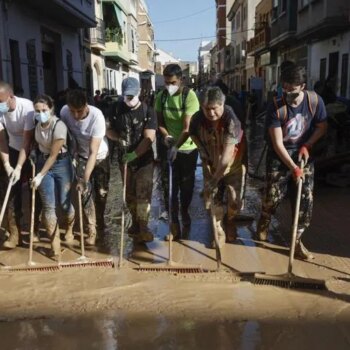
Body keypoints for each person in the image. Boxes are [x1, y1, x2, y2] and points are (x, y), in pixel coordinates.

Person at [256, 64, 327, 260]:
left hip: (303, 155)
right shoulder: (276, 105)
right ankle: (264, 219)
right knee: (272, 197)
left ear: (302, 86)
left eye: (292, 90)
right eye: (284, 87)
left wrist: (308, 145)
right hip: (280, 156)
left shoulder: (314, 101)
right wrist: (293, 168)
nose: (287, 92)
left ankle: (296, 241)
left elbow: (322, 126)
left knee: (305, 201)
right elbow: (278, 143)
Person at [188, 87, 244, 248]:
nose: (211, 113)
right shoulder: (197, 119)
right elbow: (193, 135)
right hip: (211, 162)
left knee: (234, 200)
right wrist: (203, 154)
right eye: (206, 109)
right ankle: (219, 232)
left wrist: (215, 178)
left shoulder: (231, 120)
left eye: (214, 108)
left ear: (222, 104)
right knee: (214, 202)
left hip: (232, 163)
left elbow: (227, 154)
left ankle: (231, 222)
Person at [107, 77, 157, 243]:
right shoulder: (115, 109)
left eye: (131, 97)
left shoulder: (148, 112)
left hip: (144, 161)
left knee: (143, 194)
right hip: (124, 160)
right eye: (125, 97)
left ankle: (144, 227)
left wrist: (135, 154)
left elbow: (149, 138)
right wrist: (117, 138)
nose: (128, 100)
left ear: (138, 94)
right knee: (129, 195)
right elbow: (107, 129)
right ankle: (135, 224)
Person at [155, 64, 199, 240]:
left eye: (172, 82)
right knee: (169, 187)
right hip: (168, 145)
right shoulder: (161, 96)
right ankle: (174, 224)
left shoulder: (190, 97)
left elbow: (188, 128)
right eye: (166, 83)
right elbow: (160, 123)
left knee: (186, 187)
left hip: (187, 148)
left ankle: (185, 211)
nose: (169, 86)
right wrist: (166, 138)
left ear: (181, 80)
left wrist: (177, 147)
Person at [60, 89, 110, 246]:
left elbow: (93, 152)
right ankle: (91, 230)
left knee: (101, 195)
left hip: (99, 156)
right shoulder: (64, 112)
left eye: (79, 111)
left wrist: (85, 179)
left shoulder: (97, 117)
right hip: (81, 156)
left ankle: (101, 227)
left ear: (86, 105)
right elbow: (66, 135)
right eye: (72, 111)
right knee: (85, 194)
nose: (75, 115)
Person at [31, 95, 75, 257]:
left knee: (64, 204)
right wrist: (34, 153)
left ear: (51, 109)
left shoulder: (59, 126)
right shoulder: (36, 125)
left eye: (44, 110)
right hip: (43, 163)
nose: (41, 113)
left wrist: (39, 176)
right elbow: (38, 144)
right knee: (49, 207)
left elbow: (54, 155)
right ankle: (55, 246)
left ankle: (69, 229)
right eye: (37, 111)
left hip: (61, 164)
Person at [0, 81, 35, 249]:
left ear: (11, 97)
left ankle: (34, 228)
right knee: (11, 190)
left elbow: (27, 141)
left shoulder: (27, 108)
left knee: (33, 189)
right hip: (12, 148)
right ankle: (15, 233)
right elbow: (1, 140)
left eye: (1, 102)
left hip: (32, 150)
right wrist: (8, 164)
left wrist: (20, 166)